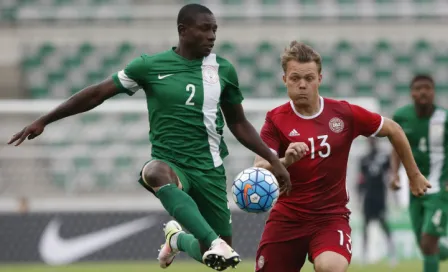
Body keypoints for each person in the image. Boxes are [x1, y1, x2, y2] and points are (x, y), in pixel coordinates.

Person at [7, 4, 291, 271]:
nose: (212, 36)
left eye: (214, 29)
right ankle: (212, 240)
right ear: (183, 30)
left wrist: (271, 159)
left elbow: (239, 123)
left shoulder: (223, 70)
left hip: (210, 168)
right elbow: (96, 93)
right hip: (171, 163)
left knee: (219, 257)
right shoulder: (149, 66)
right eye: (204, 29)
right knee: (154, 171)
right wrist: (45, 120)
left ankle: (177, 239)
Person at [253, 41, 431, 272]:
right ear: (284, 79)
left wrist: (414, 175)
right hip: (287, 218)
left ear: (320, 79)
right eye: (295, 78)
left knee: (331, 268)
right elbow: (259, 167)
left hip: (330, 218)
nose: (302, 85)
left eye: (309, 78)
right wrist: (285, 161)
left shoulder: (343, 114)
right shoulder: (275, 119)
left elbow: (394, 129)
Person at [390, 74, 448, 272]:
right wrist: (395, 174)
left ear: (433, 92)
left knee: (428, 241)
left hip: (441, 190)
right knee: (425, 245)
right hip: (416, 190)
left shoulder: (445, 118)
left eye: (427, 88)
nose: (423, 91)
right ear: (411, 93)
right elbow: (397, 147)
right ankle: (444, 251)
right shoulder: (401, 117)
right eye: (418, 88)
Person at [357, 137, 395, 265]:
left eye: (373, 140)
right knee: (365, 226)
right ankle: (364, 254)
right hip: (368, 197)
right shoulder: (364, 159)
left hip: (380, 196)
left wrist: (394, 195)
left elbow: (391, 174)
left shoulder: (384, 157)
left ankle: (392, 253)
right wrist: (359, 198)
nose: (372, 142)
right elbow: (360, 180)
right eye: (370, 141)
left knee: (384, 224)